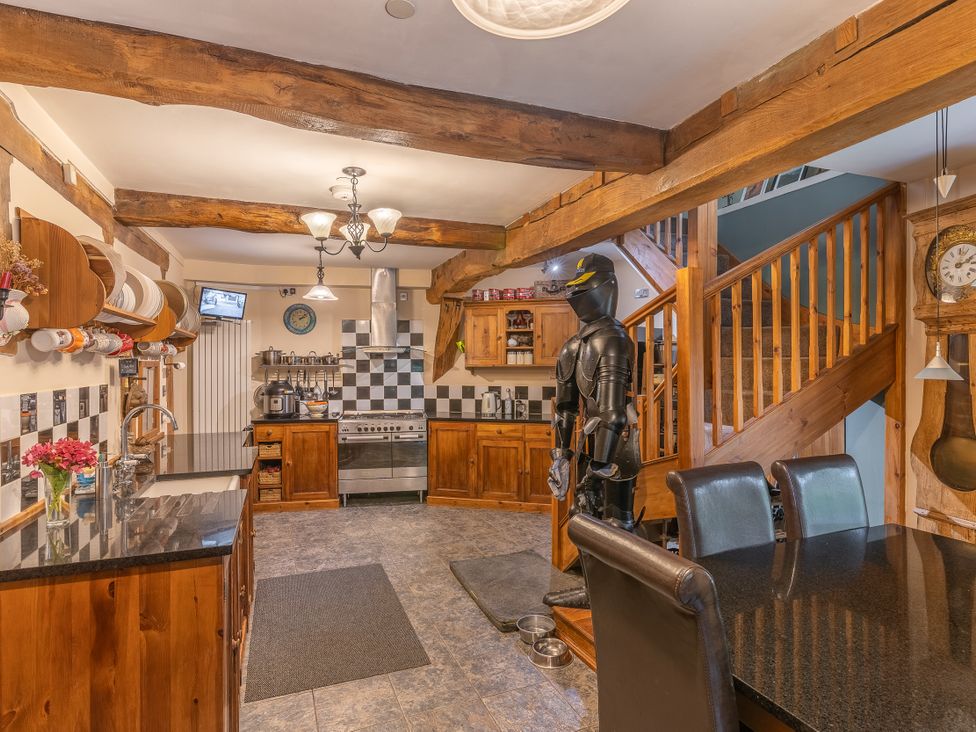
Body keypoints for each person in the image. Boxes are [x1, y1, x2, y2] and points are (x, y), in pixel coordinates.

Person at [545, 253, 642, 609]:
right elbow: (566, 408)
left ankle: (616, 601)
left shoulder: (612, 340)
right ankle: (594, 593)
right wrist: (561, 457)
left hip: (617, 451)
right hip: (593, 447)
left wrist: (597, 465)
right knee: (584, 520)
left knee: (616, 525)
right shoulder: (575, 346)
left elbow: (614, 414)